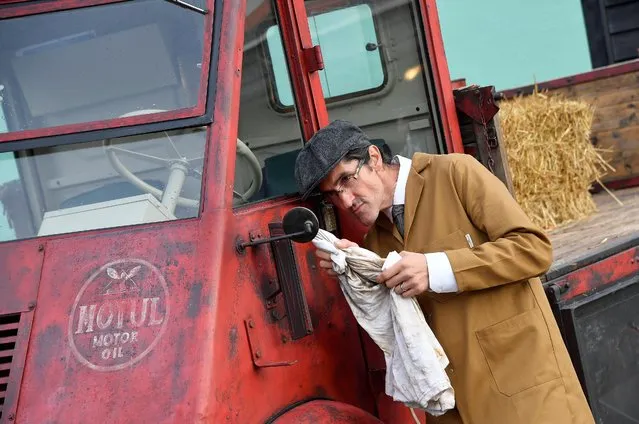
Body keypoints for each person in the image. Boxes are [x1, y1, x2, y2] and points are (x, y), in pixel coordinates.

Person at [294, 120, 595, 424]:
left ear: (373, 158)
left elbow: (533, 249)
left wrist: (435, 268)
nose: (345, 201)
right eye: (333, 195)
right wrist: (357, 272)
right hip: (452, 410)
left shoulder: (455, 173)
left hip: (528, 398)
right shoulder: (374, 242)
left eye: (347, 179)